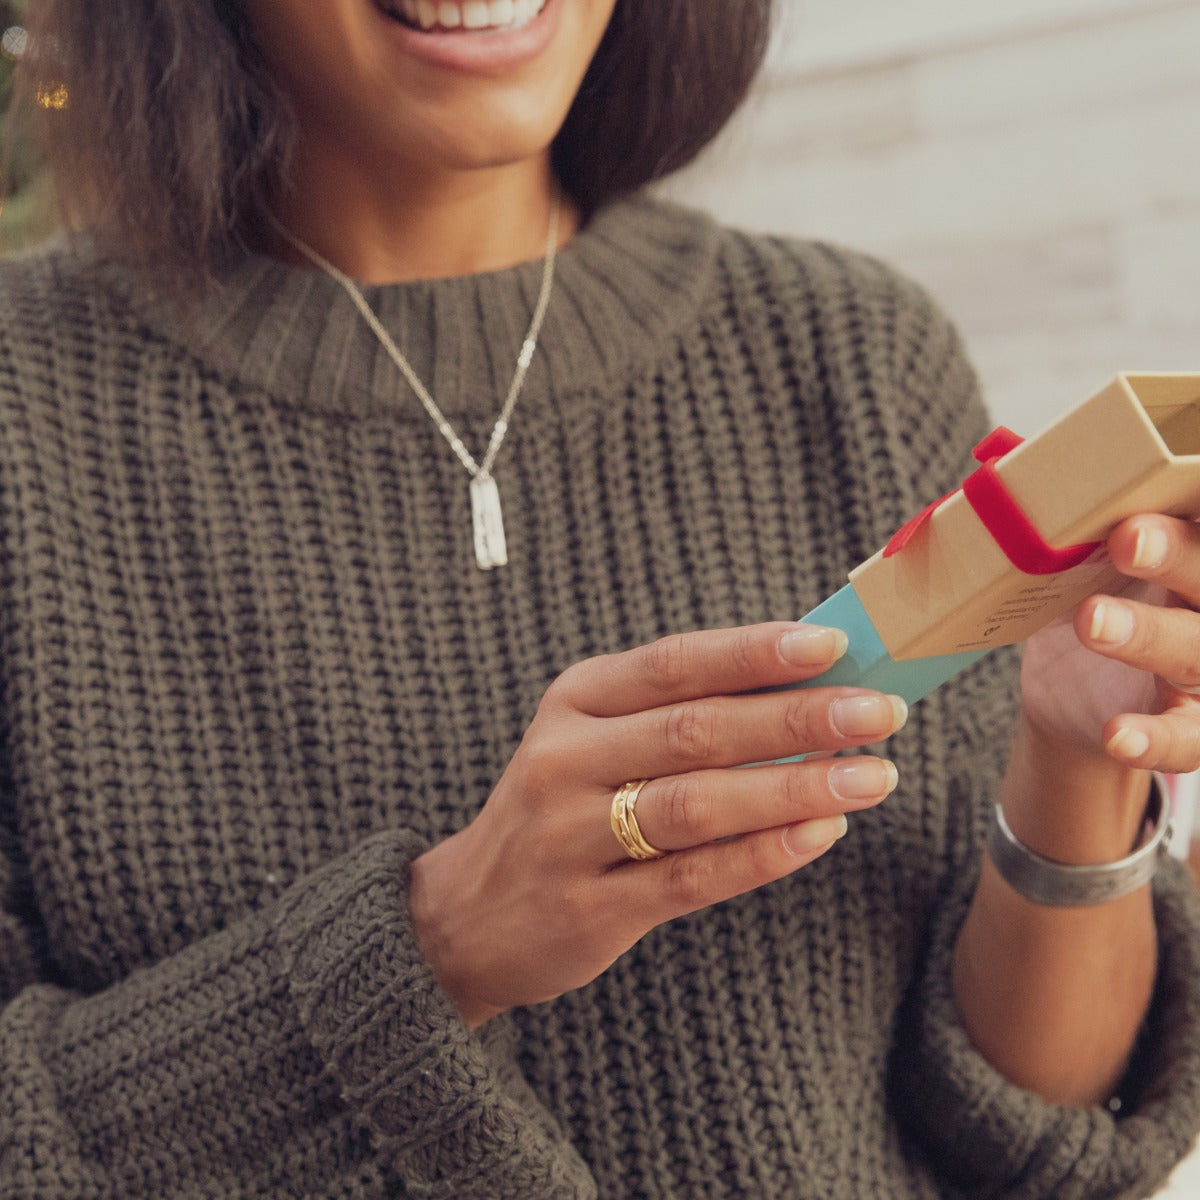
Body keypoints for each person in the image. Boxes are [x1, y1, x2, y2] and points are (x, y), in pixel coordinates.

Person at [2, 1, 1199, 1196]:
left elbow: (1037, 1135)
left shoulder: (855, 355)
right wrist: (440, 945)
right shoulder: (26, 408)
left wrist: (1077, 758)